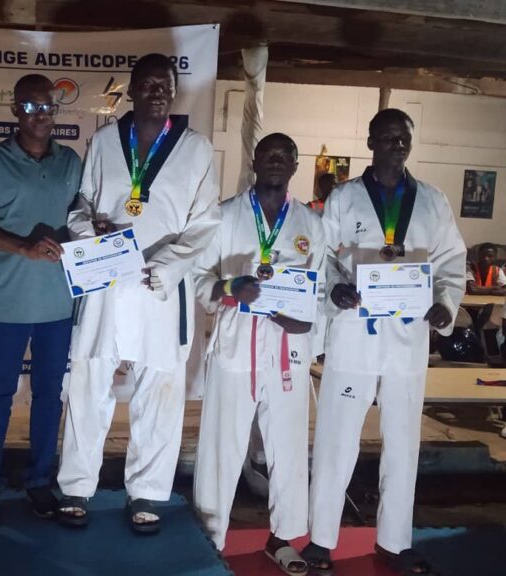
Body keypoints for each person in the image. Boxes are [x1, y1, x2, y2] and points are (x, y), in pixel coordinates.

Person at [56, 53, 220, 533]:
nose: (156, 92)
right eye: (146, 84)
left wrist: (169, 264)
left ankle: (147, 492)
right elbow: (82, 203)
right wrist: (87, 230)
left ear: (174, 91)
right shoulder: (106, 140)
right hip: (106, 281)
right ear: (130, 90)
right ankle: (76, 485)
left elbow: (205, 222)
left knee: (160, 390)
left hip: (160, 286)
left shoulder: (196, 148)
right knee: (88, 382)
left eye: (164, 85)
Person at [304, 108, 466, 576]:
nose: (397, 145)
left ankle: (395, 542)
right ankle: (321, 539)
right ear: (371, 142)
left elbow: (451, 261)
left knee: (403, 443)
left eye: (404, 138)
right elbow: (322, 257)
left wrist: (446, 303)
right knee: (336, 439)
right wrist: (335, 289)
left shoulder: (432, 201)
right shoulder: (344, 198)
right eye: (389, 137)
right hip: (354, 335)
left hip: (407, 339)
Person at [193, 133, 324, 574]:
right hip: (236, 342)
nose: (276, 161)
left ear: (295, 165)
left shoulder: (310, 222)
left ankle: (282, 537)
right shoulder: (226, 214)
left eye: (285, 156)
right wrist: (231, 287)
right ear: (255, 161)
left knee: (288, 446)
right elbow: (199, 276)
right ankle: (210, 535)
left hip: (289, 348)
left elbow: (320, 286)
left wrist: (309, 324)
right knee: (221, 443)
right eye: (268, 154)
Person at [0, 74, 81, 523]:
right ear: (15, 110)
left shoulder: (70, 162)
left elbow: (81, 218)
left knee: (49, 396)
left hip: (58, 303)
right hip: (10, 301)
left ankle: (38, 481)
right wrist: (23, 247)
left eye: (47, 106)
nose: (40, 115)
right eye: (30, 107)